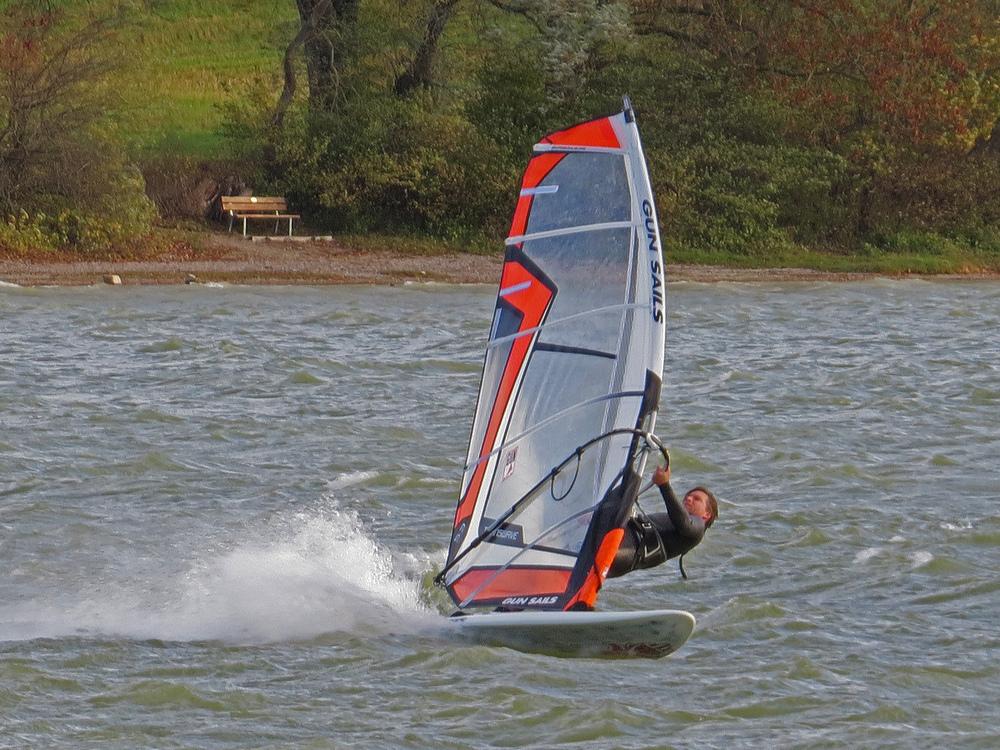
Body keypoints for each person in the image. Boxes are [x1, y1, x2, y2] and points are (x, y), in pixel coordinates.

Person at [606, 464, 718, 579]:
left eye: (696, 499)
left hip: (624, 549)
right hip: (621, 539)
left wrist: (664, 485)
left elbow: (685, 525)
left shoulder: (698, 527)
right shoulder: (675, 518)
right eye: (688, 496)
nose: (688, 499)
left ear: (707, 515)